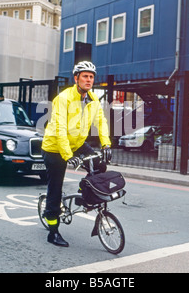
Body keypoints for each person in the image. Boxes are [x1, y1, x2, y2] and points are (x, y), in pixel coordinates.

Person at [41, 61, 112, 247]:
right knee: (55, 188)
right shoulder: (63, 99)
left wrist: (106, 144)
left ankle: (83, 195)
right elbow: (59, 128)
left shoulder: (93, 99)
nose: (89, 80)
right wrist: (67, 155)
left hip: (76, 143)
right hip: (55, 146)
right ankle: (53, 232)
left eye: (91, 77)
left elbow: (101, 121)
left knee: (99, 165)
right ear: (76, 79)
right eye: (85, 76)